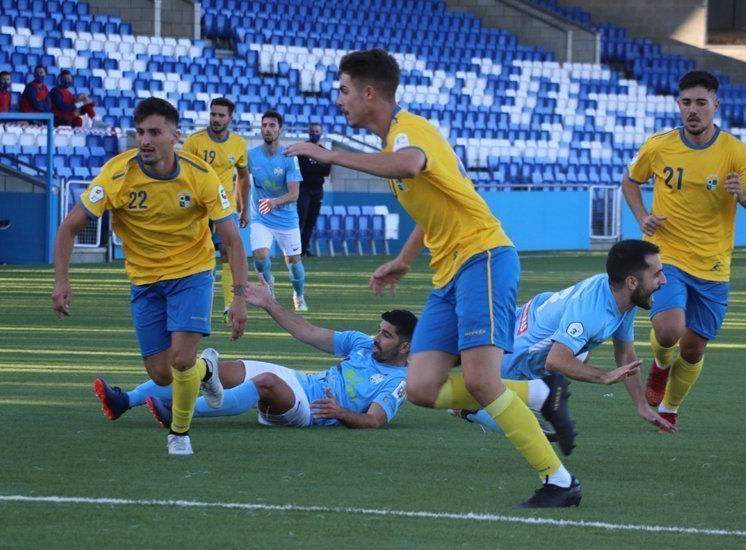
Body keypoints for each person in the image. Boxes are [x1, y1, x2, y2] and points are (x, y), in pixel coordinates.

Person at [285, 48, 580, 508]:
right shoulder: (393, 144)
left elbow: (409, 165)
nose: (338, 100)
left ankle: (558, 481)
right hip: (448, 274)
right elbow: (431, 206)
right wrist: (404, 259)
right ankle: (542, 392)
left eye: (343, 91)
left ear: (368, 92)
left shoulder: (408, 132)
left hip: (483, 258)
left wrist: (329, 155)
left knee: (482, 382)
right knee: (422, 387)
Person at [53, 97, 249, 455]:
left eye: (154, 132)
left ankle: (179, 432)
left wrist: (238, 297)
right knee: (161, 373)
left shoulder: (200, 175)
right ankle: (208, 369)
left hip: (192, 273)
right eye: (140, 132)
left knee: (180, 360)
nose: (144, 140)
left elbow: (233, 240)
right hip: (143, 280)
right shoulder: (116, 174)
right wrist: (62, 280)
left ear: (175, 136)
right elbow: (68, 227)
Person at [622, 70, 746, 431]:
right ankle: (659, 366)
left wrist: (743, 196)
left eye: (701, 103)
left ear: (715, 106)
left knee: (692, 350)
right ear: (678, 105)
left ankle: (671, 405)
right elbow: (631, 181)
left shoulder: (736, 153)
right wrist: (643, 216)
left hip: (714, 266)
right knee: (670, 330)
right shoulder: (659, 145)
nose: (693, 110)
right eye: (686, 102)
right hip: (667, 255)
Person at [454, 240, 677, 437]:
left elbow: (625, 353)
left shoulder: (619, 295)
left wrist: (642, 405)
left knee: (580, 352)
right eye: (657, 274)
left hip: (518, 322)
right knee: (548, 430)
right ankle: (470, 407)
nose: (664, 280)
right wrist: (604, 377)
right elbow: (556, 360)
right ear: (631, 282)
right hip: (512, 360)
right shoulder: (593, 314)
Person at [139, 284, 416, 430]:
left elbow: (375, 421)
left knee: (266, 382)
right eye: (380, 331)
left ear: (404, 348)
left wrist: (340, 413)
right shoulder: (362, 343)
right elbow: (307, 331)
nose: (376, 339)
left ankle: (178, 412)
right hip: (302, 383)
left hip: (308, 411)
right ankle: (125, 400)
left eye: (386, 336)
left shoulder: (397, 382)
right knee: (216, 370)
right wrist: (269, 303)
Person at [182, 97, 250, 320]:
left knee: (227, 252)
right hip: (197, 206)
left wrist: (244, 207)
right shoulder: (194, 141)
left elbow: (242, 176)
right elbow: (183, 173)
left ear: (230, 118)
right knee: (197, 254)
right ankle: (193, 302)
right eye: (213, 114)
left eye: (221, 115)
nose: (216, 119)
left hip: (224, 205)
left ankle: (230, 303)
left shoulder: (238, 143)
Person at [247, 110, 309, 311]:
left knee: (294, 263)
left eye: (272, 125)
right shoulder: (251, 156)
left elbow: (294, 194)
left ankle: (298, 295)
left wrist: (274, 202)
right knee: (260, 256)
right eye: (264, 125)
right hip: (261, 217)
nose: (267, 129)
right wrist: (242, 208)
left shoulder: (289, 157)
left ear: (280, 130)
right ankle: (268, 284)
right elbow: (241, 181)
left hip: (286, 219)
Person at [297, 122, 331, 256]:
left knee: (311, 221)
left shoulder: (324, 151)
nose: (314, 134)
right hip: (304, 190)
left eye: (317, 132)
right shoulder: (302, 150)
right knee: (301, 219)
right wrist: (318, 169)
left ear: (321, 133)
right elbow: (304, 170)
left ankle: (304, 248)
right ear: (308, 133)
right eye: (312, 132)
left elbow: (327, 170)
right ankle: (295, 249)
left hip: (317, 191)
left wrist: (315, 170)